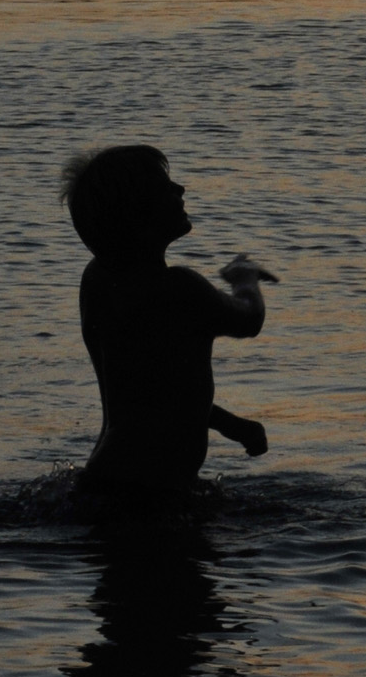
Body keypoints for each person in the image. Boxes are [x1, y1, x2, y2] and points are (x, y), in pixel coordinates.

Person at [61, 145, 276, 503]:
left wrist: (233, 425)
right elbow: (249, 318)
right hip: (150, 493)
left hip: (105, 477)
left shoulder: (97, 283)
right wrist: (245, 278)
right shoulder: (180, 289)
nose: (180, 190)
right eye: (165, 187)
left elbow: (152, 393)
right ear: (138, 214)